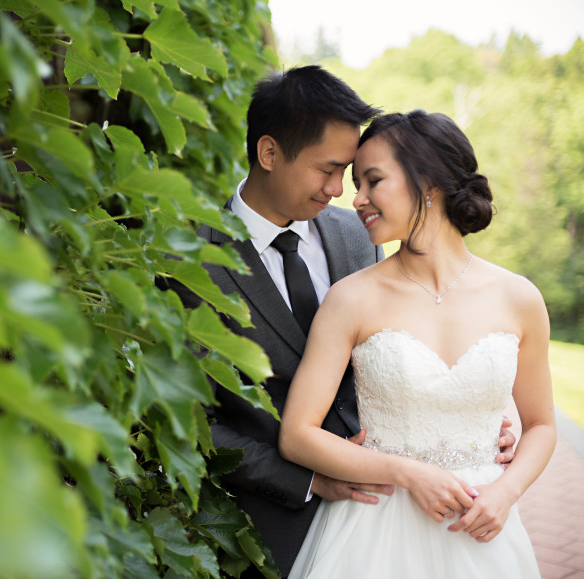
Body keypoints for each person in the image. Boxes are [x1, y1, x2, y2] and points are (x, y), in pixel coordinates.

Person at [162, 66, 517, 576]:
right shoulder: (191, 264)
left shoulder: (360, 235)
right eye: (327, 169)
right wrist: (305, 479)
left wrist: (469, 415)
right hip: (267, 523)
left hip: (403, 518)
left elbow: (411, 334)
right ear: (268, 153)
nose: (338, 189)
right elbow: (189, 421)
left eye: (350, 173)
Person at [279, 110, 556, 578]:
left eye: (373, 180)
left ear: (427, 180)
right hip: (374, 533)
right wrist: (406, 472)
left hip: (482, 527)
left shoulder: (519, 297)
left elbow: (542, 426)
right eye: (356, 182)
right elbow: (297, 434)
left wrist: (506, 492)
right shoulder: (351, 298)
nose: (356, 197)